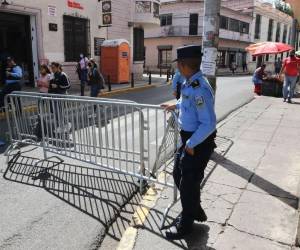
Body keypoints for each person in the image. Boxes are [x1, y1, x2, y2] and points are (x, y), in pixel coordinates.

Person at [161, 45, 217, 240]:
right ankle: (195, 209)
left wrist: (191, 144)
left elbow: (208, 123)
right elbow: (188, 105)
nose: (177, 68)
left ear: (184, 66)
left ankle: (186, 224)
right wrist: (174, 104)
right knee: (179, 174)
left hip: (198, 140)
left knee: (187, 182)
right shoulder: (189, 82)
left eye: (178, 65)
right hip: (190, 138)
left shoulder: (199, 87)